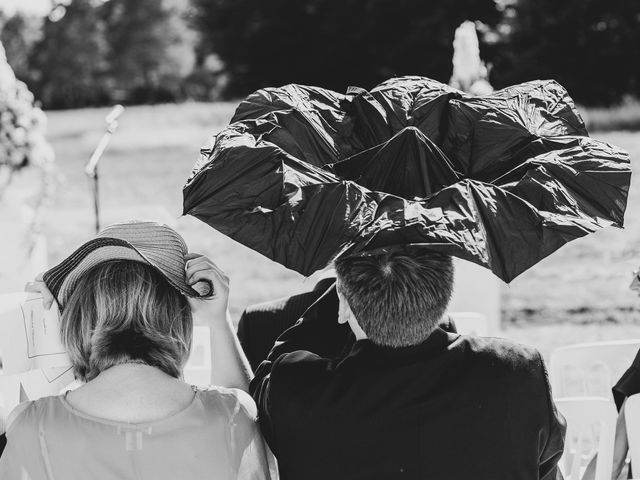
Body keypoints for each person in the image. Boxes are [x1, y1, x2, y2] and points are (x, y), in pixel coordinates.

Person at [250, 246, 566, 480]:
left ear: (343, 302)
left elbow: (264, 378)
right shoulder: (518, 372)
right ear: (445, 297)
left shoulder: (295, 390)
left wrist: (344, 292)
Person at [0, 220, 271, 480]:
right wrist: (218, 322)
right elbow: (253, 433)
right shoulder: (231, 415)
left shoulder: (31, 427)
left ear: (80, 315)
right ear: (177, 316)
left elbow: (42, 426)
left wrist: (42, 325)